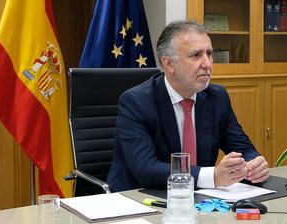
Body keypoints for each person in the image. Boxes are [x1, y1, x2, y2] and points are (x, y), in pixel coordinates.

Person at [107, 20, 269, 191]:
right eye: (196, 55)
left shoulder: (217, 97)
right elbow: (146, 170)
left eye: (209, 53)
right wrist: (212, 177)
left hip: (199, 199)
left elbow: (243, 149)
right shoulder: (137, 102)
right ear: (168, 64)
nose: (207, 64)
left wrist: (254, 164)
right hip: (140, 199)